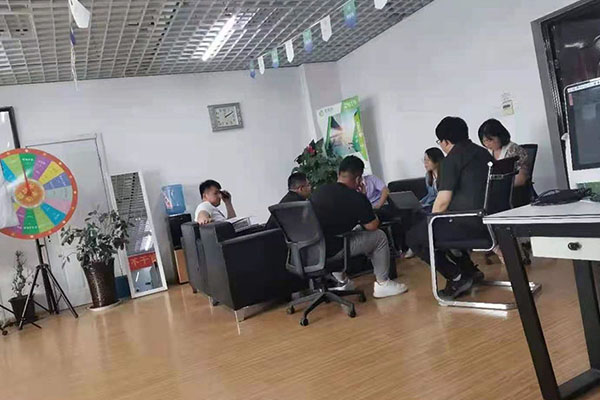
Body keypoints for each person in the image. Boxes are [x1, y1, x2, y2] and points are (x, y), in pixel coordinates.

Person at [406, 117, 492, 299]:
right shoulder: (484, 153)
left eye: (440, 142)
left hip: (469, 225)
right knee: (436, 228)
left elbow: (443, 201)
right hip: (491, 221)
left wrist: (430, 223)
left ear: (445, 141)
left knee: (415, 237)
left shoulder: (451, 160)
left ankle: (457, 277)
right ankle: (469, 271)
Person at [310, 155, 408, 298]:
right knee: (379, 236)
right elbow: (372, 226)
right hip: (334, 249)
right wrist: (363, 198)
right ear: (358, 179)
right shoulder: (355, 197)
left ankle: (343, 282)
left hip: (313, 250)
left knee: (345, 233)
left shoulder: (319, 191)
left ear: (339, 174)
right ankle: (383, 283)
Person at [478, 118, 531, 206]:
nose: (487, 144)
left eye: (490, 140)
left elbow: (521, 179)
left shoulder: (513, 150)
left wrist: (497, 187)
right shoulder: (488, 152)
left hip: (513, 194)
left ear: (500, 136)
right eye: (484, 141)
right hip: (495, 194)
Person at [420, 147, 445, 212]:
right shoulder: (428, 176)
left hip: (440, 205)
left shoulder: (446, 175)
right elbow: (430, 195)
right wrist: (420, 204)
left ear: (436, 161)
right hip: (430, 205)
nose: (425, 163)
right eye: (424, 160)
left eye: (428, 160)